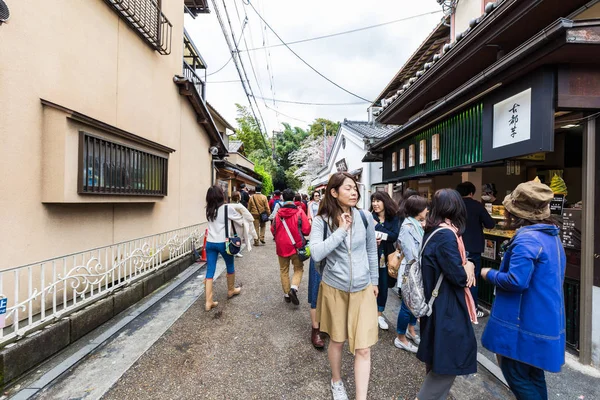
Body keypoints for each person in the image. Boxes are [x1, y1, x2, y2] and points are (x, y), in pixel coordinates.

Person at [481, 181, 566, 400]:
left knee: (516, 375)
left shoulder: (527, 238)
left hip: (521, 322)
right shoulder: (551, 236)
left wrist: (487, 274)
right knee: (534, 374)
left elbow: (516, 281)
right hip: (542, 317)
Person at [309, 172, 378, 400]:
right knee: (337, 340)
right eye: (347, 188)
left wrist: (374, 280)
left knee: (364, 347)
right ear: (334, 192)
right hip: (334, 288)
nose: (354, 192)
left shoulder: (365, 217)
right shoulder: (322, 221)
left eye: (355, 188)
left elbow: (371, 250)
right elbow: (316, 252)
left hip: (363, 287)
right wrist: (340, 231)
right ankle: (336, 380)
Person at [415, 189, 477, 400]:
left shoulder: (433, 231)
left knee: (438, 357)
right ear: (456, 207)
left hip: (434, 304)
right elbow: (458, 276)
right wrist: (468, 265)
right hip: (445, 307)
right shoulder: (445, 235)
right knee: (448, 360)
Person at [456, 181, 495, 318]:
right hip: (473, 248)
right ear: (471, 193)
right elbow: (490, 224)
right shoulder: (477, 206)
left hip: (456, 246)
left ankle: (458, 306)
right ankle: (472, 308)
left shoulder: (454, 206)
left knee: (456, 276)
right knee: (472, 278)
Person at [394, 195, 428, 353]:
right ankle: (400, 337)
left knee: (415, 303)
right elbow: (411, 254)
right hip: (412, 271)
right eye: (425, 208)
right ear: (418, 210)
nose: (427, 210)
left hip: (418, 270)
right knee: (407, 305)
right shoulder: (407, 227)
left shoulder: (417, 224)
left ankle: (411, 330)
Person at [204, 185, 244, 312]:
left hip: (210, 243)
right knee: (230, 265)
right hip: (223, 243)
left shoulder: (208, 209)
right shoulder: (227, 208)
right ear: (221, 195)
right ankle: (231, 290)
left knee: (210, 270)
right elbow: (240, 219)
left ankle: (208, 301)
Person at [271, 189, 311, 305]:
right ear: (294, 199)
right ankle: (294, 288)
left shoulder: (278, 214)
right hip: (297, 246)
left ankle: (287, 294)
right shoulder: (299, 212)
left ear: (283, 198)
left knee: (284, 270)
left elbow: (273, 229)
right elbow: (307, 230)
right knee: (298, 268)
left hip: (282, 246)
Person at [370, 191, 399, 331]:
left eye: (378, 201)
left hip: (385, 257)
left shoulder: (393, 218)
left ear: (385, 202)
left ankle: (379, 315)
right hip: (370, 255)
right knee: (370, 284)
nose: (375, 204)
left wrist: (378, 227)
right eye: (373, 201)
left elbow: (394, 236)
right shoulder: (369, 217)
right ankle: (369, 312)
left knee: (383, 283)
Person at [229, 191, 258, 258]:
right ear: (238, 197)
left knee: (231, 236)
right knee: (238, 238)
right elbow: (249, 216)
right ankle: (236, 251)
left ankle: (231, 250)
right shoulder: (240, 206)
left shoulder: (228, 205)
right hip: (238, 224)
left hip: (230, 223)